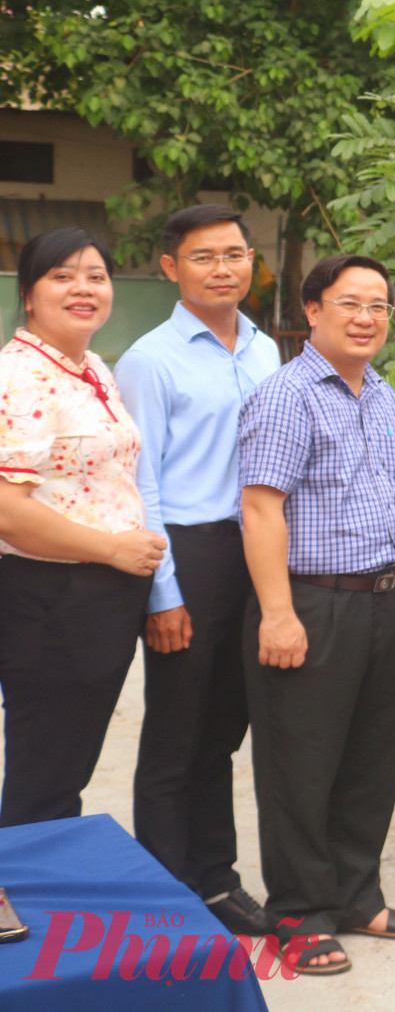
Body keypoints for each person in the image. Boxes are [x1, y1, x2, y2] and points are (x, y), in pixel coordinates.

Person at [238, 253, 395, 976]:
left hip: (380, 599)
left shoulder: (381, 393)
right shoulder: (287, 394)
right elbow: (260, 507)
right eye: (350, 302)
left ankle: (355, 894)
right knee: (300, 763)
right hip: (310, 600)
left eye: (379, 304)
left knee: (371, 759)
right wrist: (278, 613)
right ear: (313, 310)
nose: (367, 317)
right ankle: (298, 910)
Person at [116, 205, 281, 935]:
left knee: (223, 729)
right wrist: (164, 591)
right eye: (205, 256)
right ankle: (163, 896)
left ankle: (214, 879)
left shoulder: (267, 348)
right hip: (190, 549)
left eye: (236, 254)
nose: (224, 268)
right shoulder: (150, 359)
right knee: (176, 733)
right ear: (170, 267)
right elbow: (140, 482)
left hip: (258, 548)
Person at [0, 228, 166, 829]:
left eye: (96, 276)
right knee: (45, 770)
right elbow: (7, 512)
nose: (83, 289)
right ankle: (19, 903)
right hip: (51, 595)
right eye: (62, 276)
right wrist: (113, 549)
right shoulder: (17, 376)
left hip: (100, 594)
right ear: (28, 294)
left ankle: (36, 892)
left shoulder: (91, 366)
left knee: (66, 765)